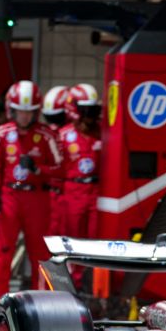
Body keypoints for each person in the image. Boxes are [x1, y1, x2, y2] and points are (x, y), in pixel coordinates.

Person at [0, 80, 62, 308]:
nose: (24, 116)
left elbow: (61, 169)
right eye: (20, 111)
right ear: (11, 110)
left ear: (36, 112)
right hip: (9, 196)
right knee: (2, 251)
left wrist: (38, 169)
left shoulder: (46, 135)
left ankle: (41, 304)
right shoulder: (2, 134)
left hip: (37, 199)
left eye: (29, 112)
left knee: (39, 253)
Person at [54, 83, 102, 243]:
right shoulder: (62, 136)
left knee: (97, 238)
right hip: (73, 192)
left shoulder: (104, 132)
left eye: (94, 110)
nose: (91, 116)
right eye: (87, 110)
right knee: (73, 239)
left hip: (98, 191)